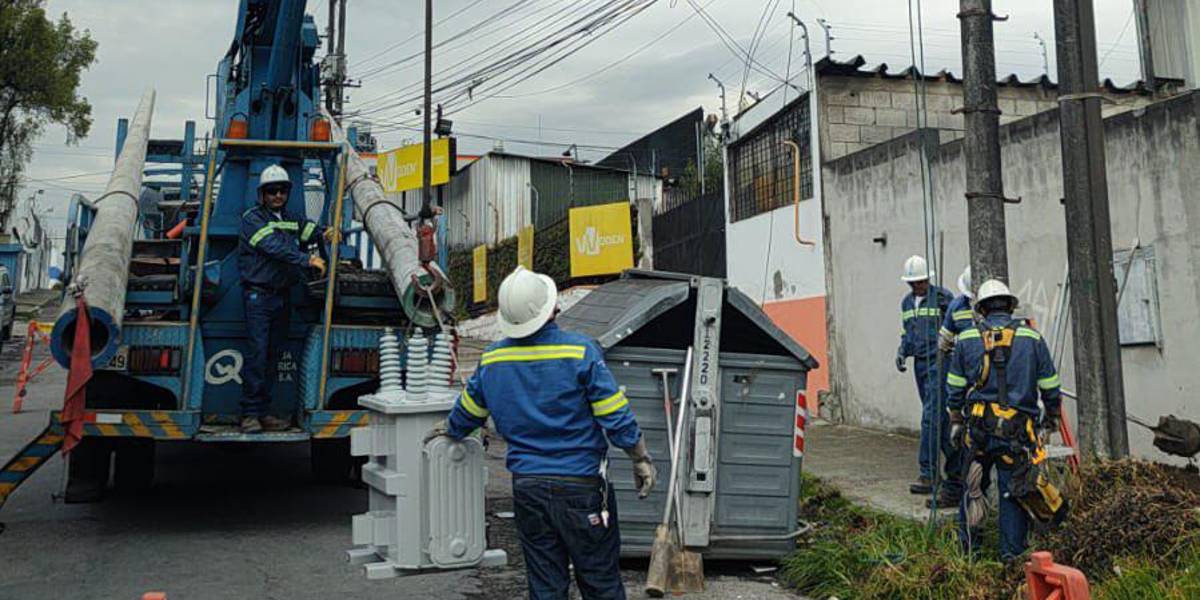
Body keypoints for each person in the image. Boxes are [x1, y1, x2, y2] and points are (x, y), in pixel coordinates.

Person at [438, 266, 656, 600]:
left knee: (545, 585)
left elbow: (466, 415)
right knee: (600, 581)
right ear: (552, 309)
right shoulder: (580, 352)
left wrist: (445, 430)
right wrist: (640, 459)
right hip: (581, 487)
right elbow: (617, 419)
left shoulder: (492, 358)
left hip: (528, 489)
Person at [945, 279, 1063, 562]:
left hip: (979, 432)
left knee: (973, 488)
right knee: (1013, 491)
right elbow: (1049, 384)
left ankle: (967, 552)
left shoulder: (966, 339)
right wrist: (1052, 417)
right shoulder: (1032, 338)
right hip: (1016, 434)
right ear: (1010, 306)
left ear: (982, 309)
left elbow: (954, 388)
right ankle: (1011, 556)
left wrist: (956, 421)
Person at [237, 164, 328, 433]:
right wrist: (307, 259)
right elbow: (274, 248)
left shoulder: (290, 217)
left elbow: (308, 230)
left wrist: (324, 233)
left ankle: (263, 413)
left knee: (274, 355)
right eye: (272, 191)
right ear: (262, 194)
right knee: (258, 354)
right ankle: (250, 414)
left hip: (281, 297)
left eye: (282, 190)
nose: (277, 195)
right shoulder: (252, 219)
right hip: (259, 297)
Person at [894, 255, 954, 496]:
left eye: (920, 281)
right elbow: (908, 332)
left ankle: (928, 474)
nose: (917, 286)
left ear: (927, 278)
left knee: (930, 418)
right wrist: (902, 351)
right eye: (913, 282)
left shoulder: (943, 298)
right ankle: (958, 466)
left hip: (939, 362)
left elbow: (957, 328)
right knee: (939, 420)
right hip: (920, 364)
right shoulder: (907, 303)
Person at [926, 265, 975, 508]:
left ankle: (972, 493)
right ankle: (956, 490)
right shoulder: (956, 307)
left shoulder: (995, 310)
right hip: (963, 382)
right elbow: (943, 344)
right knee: (956, 439)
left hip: (984, 387)